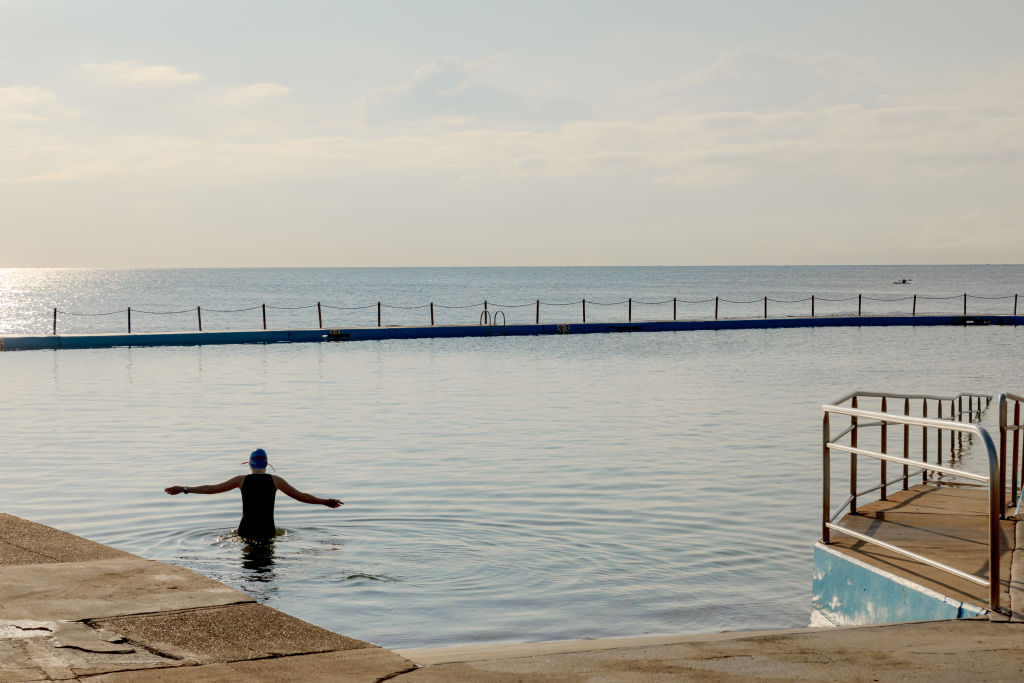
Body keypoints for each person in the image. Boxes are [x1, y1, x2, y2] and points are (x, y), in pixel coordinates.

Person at [164, 448, 342, 540]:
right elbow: (302, 496)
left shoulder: (241, 480)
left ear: (249, 464)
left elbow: (210, 489)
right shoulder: (276, 481)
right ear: (267, 464)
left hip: (246, 531)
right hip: (267, 531)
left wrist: (184, 489)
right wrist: (325, 502)